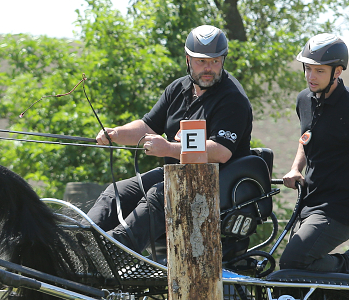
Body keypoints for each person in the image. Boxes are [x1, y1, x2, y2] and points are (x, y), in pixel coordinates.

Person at [87, 25, 253, 255]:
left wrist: (168, 148)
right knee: (118, 191)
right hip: (179, 174)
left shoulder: (232, 98)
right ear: (188, 59)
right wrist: (117, 133)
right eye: (201, 62)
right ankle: (85, 239)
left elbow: (221, 151)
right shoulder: (178, 89)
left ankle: (112, 251)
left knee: (158, 195)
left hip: (216, 182)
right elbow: (147, 126)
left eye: (215, 61)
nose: (209, 68)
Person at [280, 34, 349, 275]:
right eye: (308, 69)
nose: (311, 76)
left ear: (338, 71)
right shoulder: (304, 99)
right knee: (293, 273)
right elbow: (307, 137)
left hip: (339, 210)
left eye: (319, 71)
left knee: (292, 263)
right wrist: (295, 169)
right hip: (308, 204)